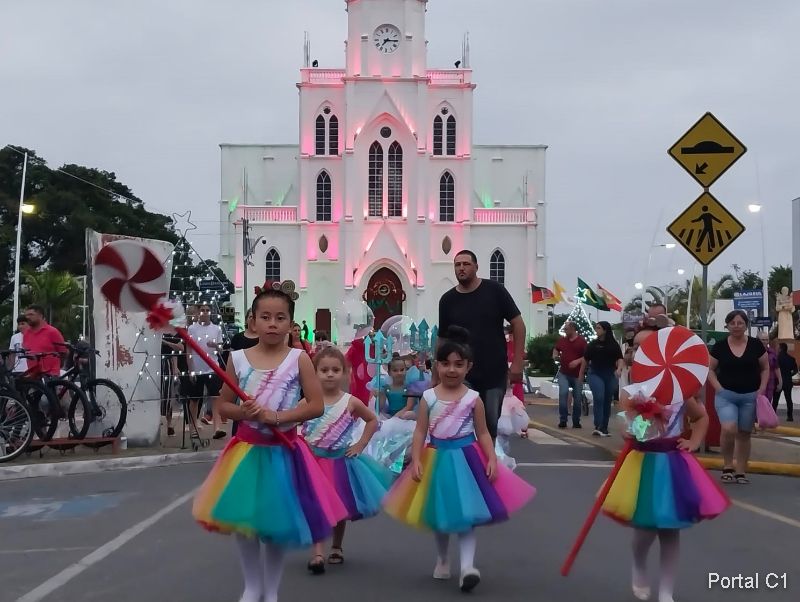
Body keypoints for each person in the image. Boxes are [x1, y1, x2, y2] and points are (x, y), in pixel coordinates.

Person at [192, 289, 347, 602]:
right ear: (253, 321)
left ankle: (271, 590)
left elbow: (316, 405)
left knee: (275, 525)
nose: (273, 324)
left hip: (283, 452)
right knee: (245, 525)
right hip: (246, 451)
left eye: (280, 318)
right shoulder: (237, 359)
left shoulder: (299, 359)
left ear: (291, 323)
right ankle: (252, 586)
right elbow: (223, 405)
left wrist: (279, 416)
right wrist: (243, 411)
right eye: (265, 317)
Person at [384, 326, 536, 593]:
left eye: (458, 364)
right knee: (441, 514)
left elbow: (483, 433)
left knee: (466, 517)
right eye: (445, 364)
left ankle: (468, 567)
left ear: (468, 367)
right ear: (436, 366)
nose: (451, 370)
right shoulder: (429, 398)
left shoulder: (473, 399)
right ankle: (443, 558)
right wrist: (416, 459)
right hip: (436, 458)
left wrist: (491, 458)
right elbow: (420, 431)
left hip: (467, 460)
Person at [602, 340, 730, 602]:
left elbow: (702, 418)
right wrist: (636, 422)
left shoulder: (681, 393)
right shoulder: (633, 392)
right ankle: (639, 566)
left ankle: (666, 592)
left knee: (671, 530)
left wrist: (694, 441)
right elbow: (628, 428)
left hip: (673, 461)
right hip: (643, 462)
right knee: (645, 529)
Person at [301, 346, 393, 574]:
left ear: (344, 373)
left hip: (339, 461)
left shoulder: (350, 402)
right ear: (314, 373)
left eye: (335, 369)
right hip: (314, 462)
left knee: (339, 505)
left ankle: (336, 546)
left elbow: (372, 420)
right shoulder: (307, 403)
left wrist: (360, 444)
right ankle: (317, 552)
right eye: (324, 370)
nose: (330, 374)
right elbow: (292, 425)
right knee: (317, 505)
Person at [438, 250, 525, 441]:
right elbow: (442, 340)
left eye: (466, 264)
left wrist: (518, 363)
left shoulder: (495, 291)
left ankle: (487, 466)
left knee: (489, 425)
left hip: (493, 373)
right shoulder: (447, 300)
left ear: (476, 267)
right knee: (460, 425)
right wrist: (437, 375)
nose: (461, 268)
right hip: (461, 374)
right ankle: (466, 467)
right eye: (457, 265)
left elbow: (518, 324)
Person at [707, 310, 769, 485]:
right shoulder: (719, 346)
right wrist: (718, 388)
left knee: (744, 433)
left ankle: (740, 470)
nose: (736, 326)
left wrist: (762, 388)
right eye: (732, 323)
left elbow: (765, 368)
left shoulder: (756, 345)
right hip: (726, 395)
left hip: (750, 395)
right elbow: (710, 369)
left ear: (746, 325)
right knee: (728, 428)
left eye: (740, 323)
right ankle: (727, 465)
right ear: (727, 325)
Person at [187, 303, 225, 440]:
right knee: (195, 400)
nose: (204, 312)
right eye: (202, 310)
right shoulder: (192, 328)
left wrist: (215, 345)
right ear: (198, 312)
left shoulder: (216, 329)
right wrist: (190, 369)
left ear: (211, 312)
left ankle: (217, 428)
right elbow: (188, 349)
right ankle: (193, 427)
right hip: (197, 369)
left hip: (212, 367)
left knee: (215, 398)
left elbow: (221, 349)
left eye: (207, 310)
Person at [579, 321, 623, 437]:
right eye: (596, 328)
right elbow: (585, 360)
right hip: (595, 373)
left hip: (609, 374)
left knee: (607, 400)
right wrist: (580, 374)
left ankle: (604, 426)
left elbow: (620, 358)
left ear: (605, 330)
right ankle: (598, 424)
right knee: (599, 396)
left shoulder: (613, 345)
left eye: (598, 328)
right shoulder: (593, 344)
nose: (596, 330)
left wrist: (619, 369)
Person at [552, 321, 587, 429]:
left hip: (577, 374)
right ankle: (563, 419)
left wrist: (577, 361)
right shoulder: (562, 340)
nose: (565, 331)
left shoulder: (581, 341)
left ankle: (576, 421)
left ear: (572, 329)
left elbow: (586, 357)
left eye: (566, 329)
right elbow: (556, 349)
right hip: (564, 372)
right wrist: (555, 355)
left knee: (577, 398)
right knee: (563, 393)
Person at [22, 305, 65, 376]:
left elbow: (63, 352)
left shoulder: (52, 331)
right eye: (26, 315)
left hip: (50, 376)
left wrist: (56, 367)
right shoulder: (26, 333)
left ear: (41, 316)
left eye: (31, 314)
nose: (27, 317)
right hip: (33, 376)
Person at [774, 343, 797, 421]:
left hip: (778, 381)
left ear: (780, 349)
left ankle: (773, 415)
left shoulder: (776, 358)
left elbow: (774, 369)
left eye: (777, 347)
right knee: (789, 399)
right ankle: (790, 416)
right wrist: (790, 374)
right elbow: (795, 370)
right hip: (788, 381)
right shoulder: (791, 359)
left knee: (775, 400)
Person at [758, 333, 781, 404]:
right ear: (758, 340)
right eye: (762, 340)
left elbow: (776, 367)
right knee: (758, 403)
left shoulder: (772, 352)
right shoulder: (753, 352)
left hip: (770, 383)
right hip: (757, 383)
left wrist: (780, 381)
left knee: (767, 403)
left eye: (766, 340)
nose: (764, 341)